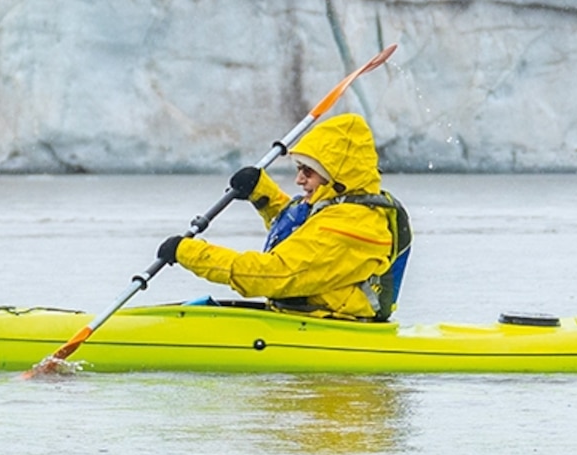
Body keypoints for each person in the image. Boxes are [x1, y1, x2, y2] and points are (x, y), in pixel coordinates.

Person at [158, 112, 412, 321]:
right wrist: (261, 192)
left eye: (308, 172)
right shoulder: (340, 209)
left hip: (331, 326)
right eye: (299, 169)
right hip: (305, 316)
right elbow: (298, 228)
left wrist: (189, 253)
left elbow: (272, 275)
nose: (299, 180)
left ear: (336, 176)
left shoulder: (351, 226)